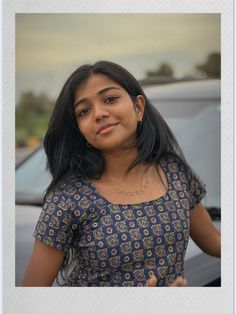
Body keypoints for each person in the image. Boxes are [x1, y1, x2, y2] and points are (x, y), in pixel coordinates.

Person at [22, 60, 220, 287]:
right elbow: (31, 296)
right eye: (84, 111)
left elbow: (214, 241)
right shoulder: (68, 197)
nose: (98, 113)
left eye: (110, 99)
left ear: (138, 108)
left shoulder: (175, 172)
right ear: (79, 129)